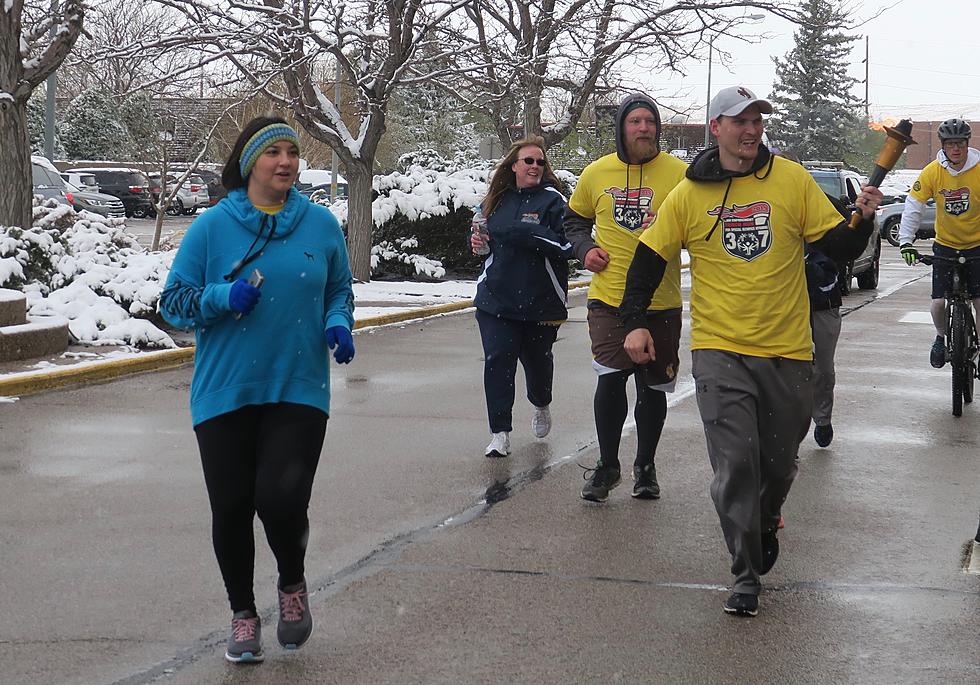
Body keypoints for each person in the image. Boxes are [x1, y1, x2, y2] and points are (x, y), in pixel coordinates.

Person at [620, 86, 883, 617]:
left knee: (779, 465)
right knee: (736, 462)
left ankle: (764, 520)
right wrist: (634, 324)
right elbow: (649, 259)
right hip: (720, 349)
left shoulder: (790, 180)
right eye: (739, 120)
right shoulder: (690, 194)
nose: (751, 129)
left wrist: (863, 218)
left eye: (757, 120)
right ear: (715, 128)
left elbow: (837, 247)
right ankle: (744, 574)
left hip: (787, 350)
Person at [159, 116, 355, 662]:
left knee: (281, 496)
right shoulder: (211, 227)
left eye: (293, 152)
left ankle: (291, 585)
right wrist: (223, 298)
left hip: (298, 384)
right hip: (225, 389)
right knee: (231, 506)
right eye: (275, 153)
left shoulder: (320, 224)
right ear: (250, 164)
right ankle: (242, 614)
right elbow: (172, 303)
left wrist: (338, 321)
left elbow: (339, 288)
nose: (287, 162)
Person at [563, 93, 688, 503]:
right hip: (609, 297)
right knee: (611, 381)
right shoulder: (597, 173)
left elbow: (700, 222)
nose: (643, 128)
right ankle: (608, 464)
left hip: (661, 300)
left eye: (650, 121)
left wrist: (672, 225)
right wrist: (584, 250)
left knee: (653, 389)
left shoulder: (680, 174)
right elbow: (575, 220)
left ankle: (646, 467)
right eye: (635, 121)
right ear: (621, 127)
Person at [470, 137, 573, 457]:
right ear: (513, 165)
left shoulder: (554, 201)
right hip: (496, 298)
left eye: (540, 162)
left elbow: (570, 247)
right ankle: (499, 432)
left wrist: (533, 236)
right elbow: (482, 241)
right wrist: (478, 243)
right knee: (498, 360)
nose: (535, 167)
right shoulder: (495, 200)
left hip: (539, 301)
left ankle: (541, 403)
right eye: (528, 161)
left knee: (538, 367)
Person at [898, 118, 980, 368]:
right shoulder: (933, 171)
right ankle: (941, 337)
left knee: (979, 301)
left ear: (968, 144)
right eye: (950, 144)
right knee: (937, 303)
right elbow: (913, 206)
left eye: (960, 143)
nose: (956, 149)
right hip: (945, 246)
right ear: (943, 146)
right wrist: (905, 242)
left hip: (977, 245)